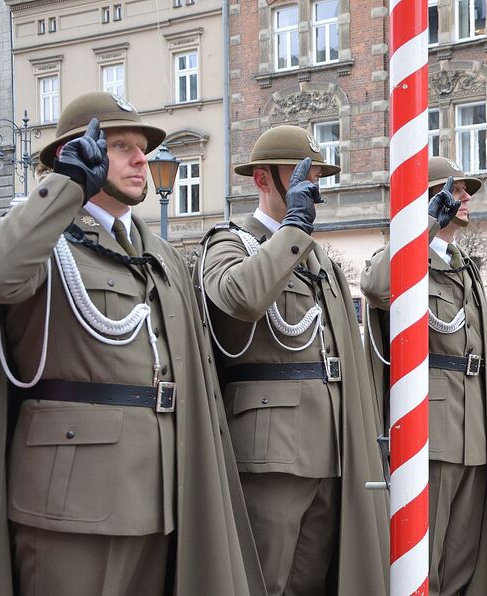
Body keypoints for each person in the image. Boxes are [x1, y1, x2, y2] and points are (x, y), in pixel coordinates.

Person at [0, 92, 265, 596]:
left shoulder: (157, 253)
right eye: (121, 147)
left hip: (159, 492)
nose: (142, 159)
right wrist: (66, 187)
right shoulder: (40, 239)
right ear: (77, 155)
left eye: (143, 148)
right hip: (74, 503)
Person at [197, 125, 388, 596]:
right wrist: (293, 231)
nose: (313, 186)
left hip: (330, 446)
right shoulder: (229, 242)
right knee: (265, 580)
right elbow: (239, 298)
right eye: (302, 175)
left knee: (313, 583)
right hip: (271, 450)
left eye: (317, 176)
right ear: (264, 179)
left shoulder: (317, 257)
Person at [361, 157, 487, 595]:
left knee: (461, 565)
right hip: (428, 433)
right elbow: (376, 286)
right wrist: (424, 224)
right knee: (420, 563)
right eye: (455, 190)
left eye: (466, 190)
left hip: (473, 434)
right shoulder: (403, 258)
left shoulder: (464, 265)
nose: (466, 197)